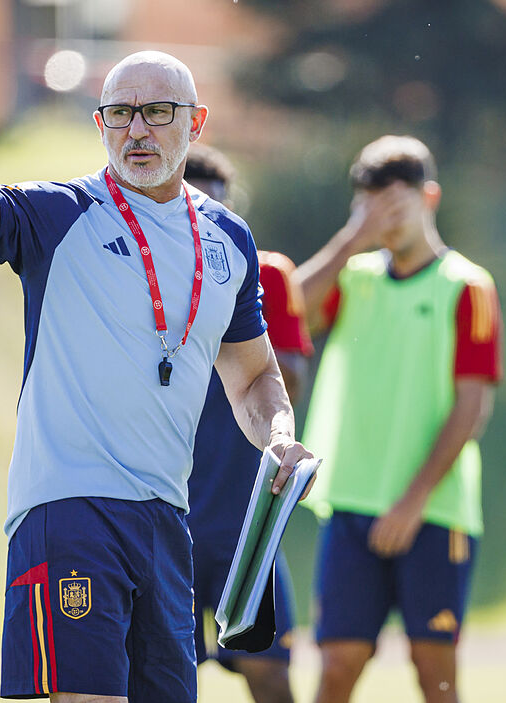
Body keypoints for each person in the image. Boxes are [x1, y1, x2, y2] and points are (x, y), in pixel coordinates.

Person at [0, 50, 315, 703]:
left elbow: (252, 376)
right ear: (100, 123)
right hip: (70, 505)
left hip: (166, 516)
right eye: (118, 114)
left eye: (157, 112)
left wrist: (278, 434)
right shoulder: (59, 212)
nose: (137, 130)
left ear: (196, 121)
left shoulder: (229, 239)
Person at [294, 135, 502, 703]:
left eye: (397, 202)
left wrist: (412, 502)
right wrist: (349, 239)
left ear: (428, 197)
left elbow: (471, 406)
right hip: (353, 503)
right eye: (371, 204)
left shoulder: (467, 286)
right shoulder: (354, 275)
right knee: (337, 665)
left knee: (433, 670)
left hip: (432, 510)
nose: (385, 217)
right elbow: (291, 314)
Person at [184, 144, 311, 703]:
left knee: (269, 670)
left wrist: (223, 303)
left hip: (244, 518)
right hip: (168, 517)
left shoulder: (265, 275)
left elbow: (293, 379)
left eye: (219, 208)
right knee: (163, 677)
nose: (207, 220)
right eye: (195, 207)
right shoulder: (143, 284)